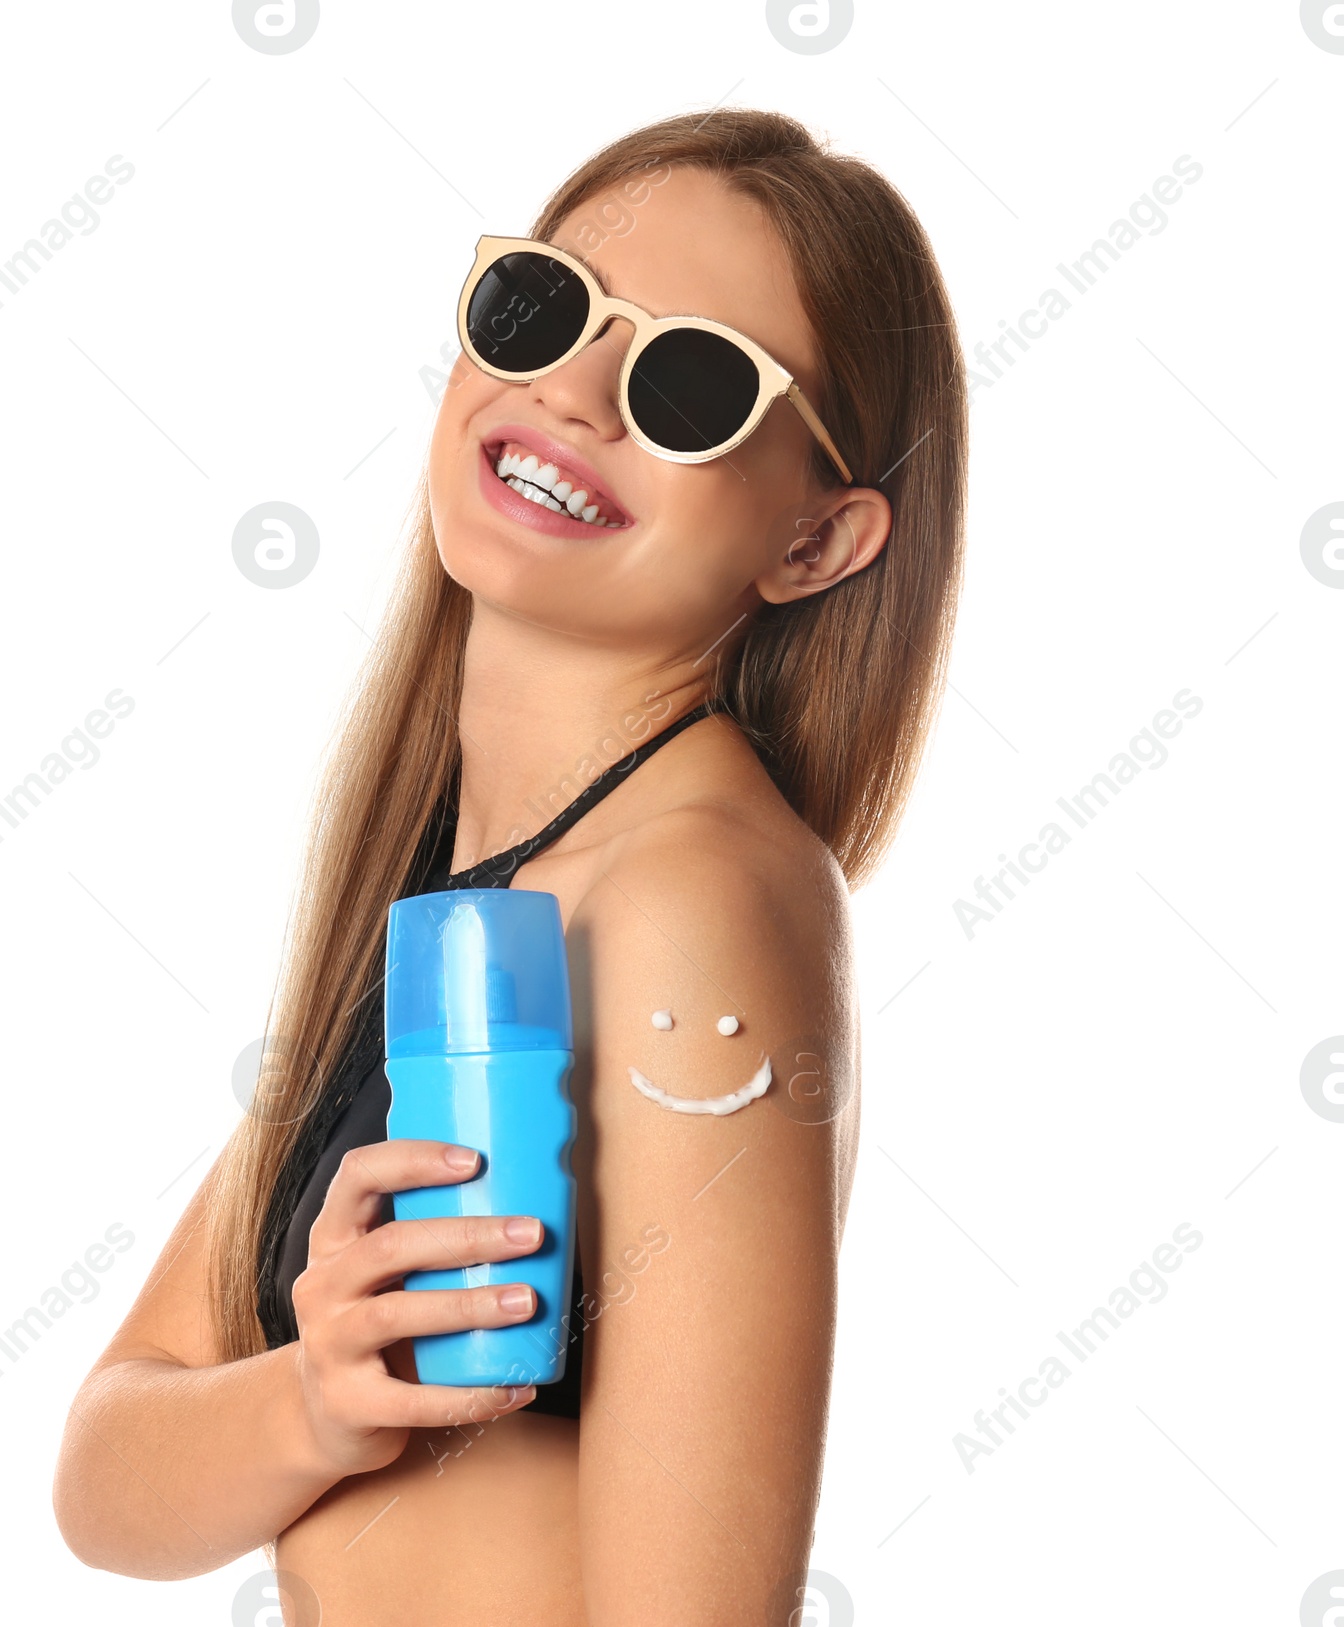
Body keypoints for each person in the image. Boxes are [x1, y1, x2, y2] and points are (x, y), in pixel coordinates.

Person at [53, 105, 967, 1624]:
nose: (578, 393)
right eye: (546, 308)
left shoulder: (691, 901)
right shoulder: (464, 892)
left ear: (814, 541)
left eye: (689, 384)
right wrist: (316, 1400)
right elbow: (105, 1478)